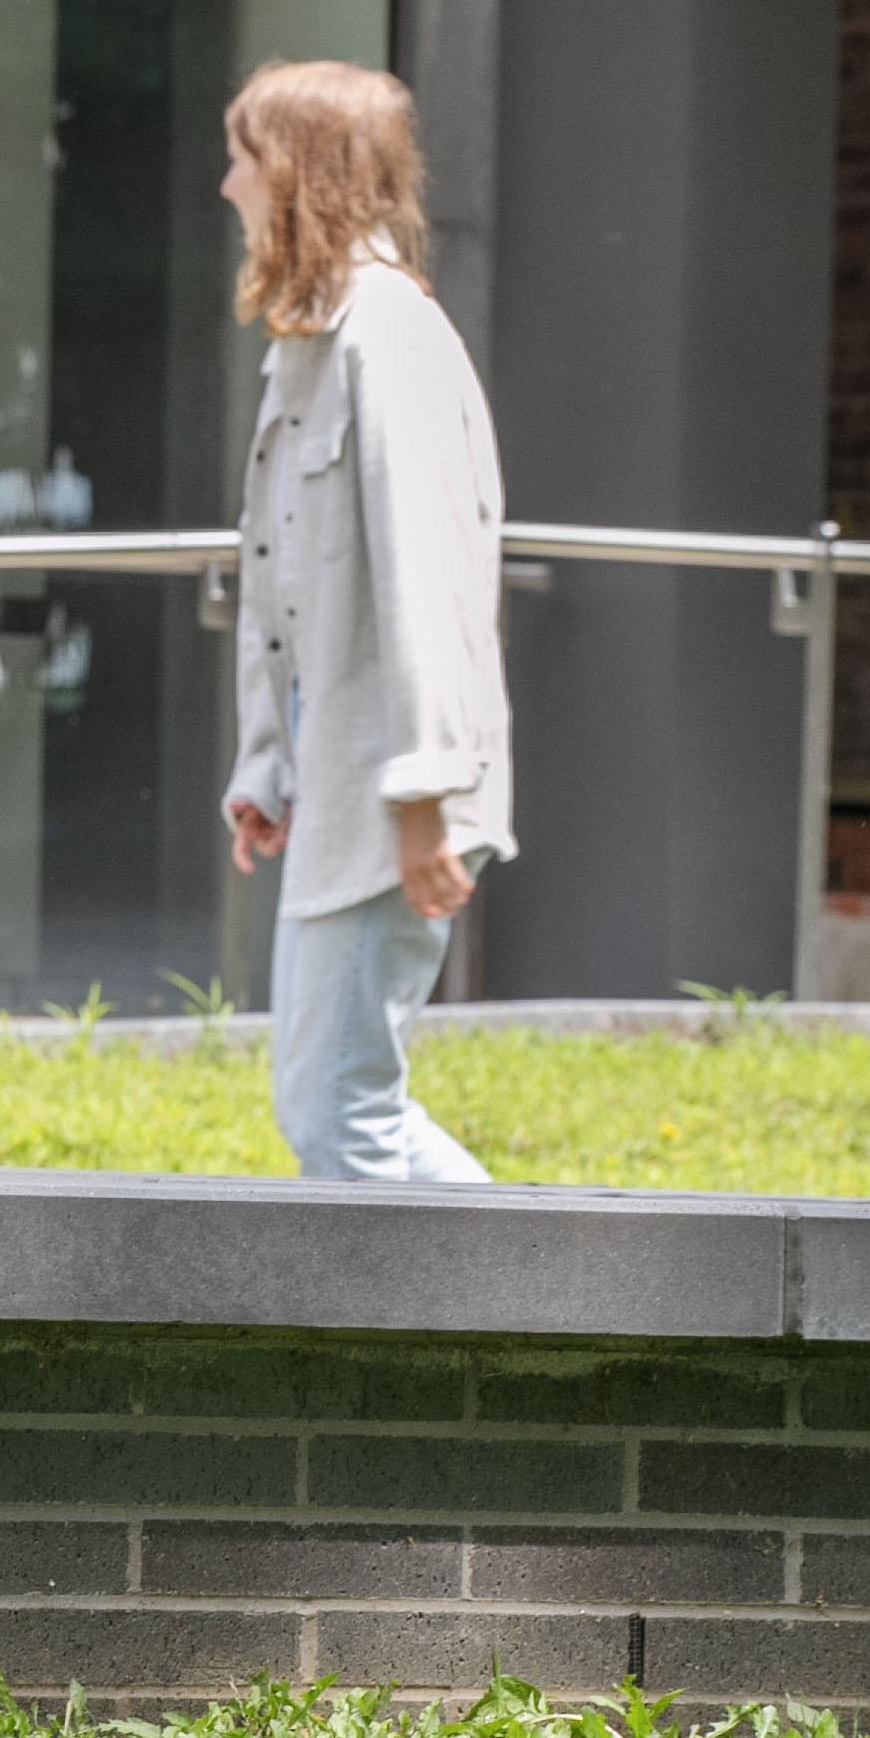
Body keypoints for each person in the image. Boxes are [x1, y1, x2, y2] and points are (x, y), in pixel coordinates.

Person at [216, 60, 516, 1183]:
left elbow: (431, 577)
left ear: (295, 174)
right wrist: (271, 761)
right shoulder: (315, 337)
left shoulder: (385, 334)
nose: (227, 185)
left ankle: (529, 1315)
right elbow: (289, 580)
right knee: (337, 1108)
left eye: (244, 160)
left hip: (398, 791)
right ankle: (532, 1305)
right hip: (352, 782)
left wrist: (426, 795)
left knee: (343, 1114)